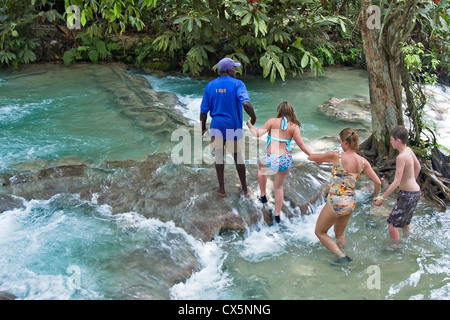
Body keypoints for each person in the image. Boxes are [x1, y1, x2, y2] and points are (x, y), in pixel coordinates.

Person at [308, 128, 381, 263]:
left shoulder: (336, 156)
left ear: (345, 142)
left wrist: (314, 155)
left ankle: (341, 255)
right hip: (350, 202)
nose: (340, 144)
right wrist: (376, 197)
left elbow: (311, 157)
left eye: (341, 141)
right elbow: (378, 182)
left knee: (320, 232)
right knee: (339, 233)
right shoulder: (363, 162)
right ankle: (343, 253)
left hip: (336, 200)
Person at [246, 101, 312, 223]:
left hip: (272, 158)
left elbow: (256, 133)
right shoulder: (294, 126)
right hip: (285, 160)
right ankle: (277, 215)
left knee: (261, 169)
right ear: (291, 112)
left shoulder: (272, 121)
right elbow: (301, 144)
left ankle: (263, 195)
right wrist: (312, 155)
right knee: (279, 187)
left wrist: (249, 124)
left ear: (278, 111)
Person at [200, 57, 257, 198]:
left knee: (219, 157)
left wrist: (202, 128)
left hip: (216, 126)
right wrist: (253, 117)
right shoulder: (238, 84)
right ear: (230, 70)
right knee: (238, 158)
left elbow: (203, 111)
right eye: (235, 68)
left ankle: (222, 190)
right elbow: (246, 104)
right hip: (233, 126)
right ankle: (244, 189)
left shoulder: (210, 86)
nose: (236, 71)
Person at [373, 126, 421, 245]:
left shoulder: (401, 157)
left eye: (391, 140)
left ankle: (396, 248)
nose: (390, 142)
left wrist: (382, 197)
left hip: (408, 194)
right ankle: (408, 241)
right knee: (405, 222)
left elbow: (396, 181)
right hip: (415, 192)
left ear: (398, 141)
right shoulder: (408, 150)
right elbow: (418, 167)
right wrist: (411, 181)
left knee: (392, 224)